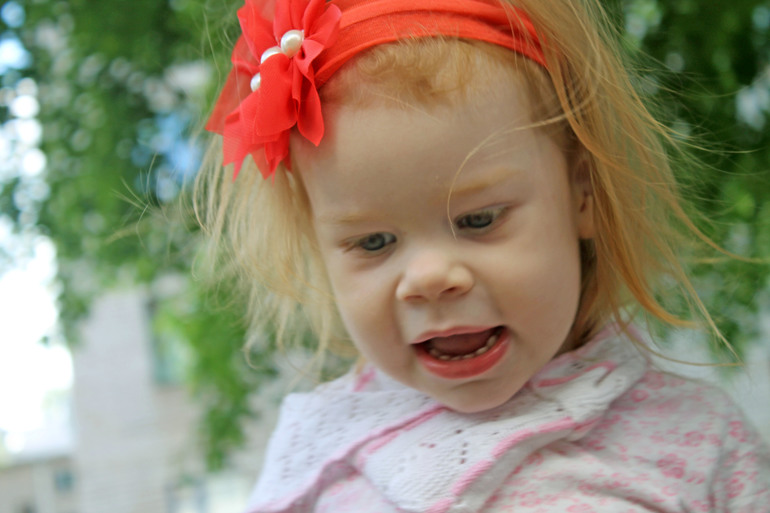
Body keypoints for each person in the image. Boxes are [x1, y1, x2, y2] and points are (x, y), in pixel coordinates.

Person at [197, 0, 770, 510]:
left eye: (478, 220)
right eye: (373, 242)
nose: (429, 278)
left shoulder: (699, 445)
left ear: (583, 192)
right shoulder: (315, 456)